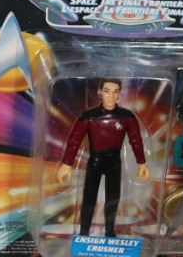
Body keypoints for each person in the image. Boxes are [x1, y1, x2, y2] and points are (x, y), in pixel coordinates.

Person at [57, 79, 150, 238]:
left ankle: (110, 231)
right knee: (89, 199)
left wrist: (141, 163)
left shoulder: (126, 117)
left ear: (119, 94)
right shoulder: (89, 117)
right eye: (107, 91)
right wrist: (67, 163)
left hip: (114, 162)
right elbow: (74, 140)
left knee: (113, 199)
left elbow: (136, 140)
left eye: (115, 92)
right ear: (100, 93)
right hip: (95, 161)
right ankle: (84, 231)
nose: (111, 96)